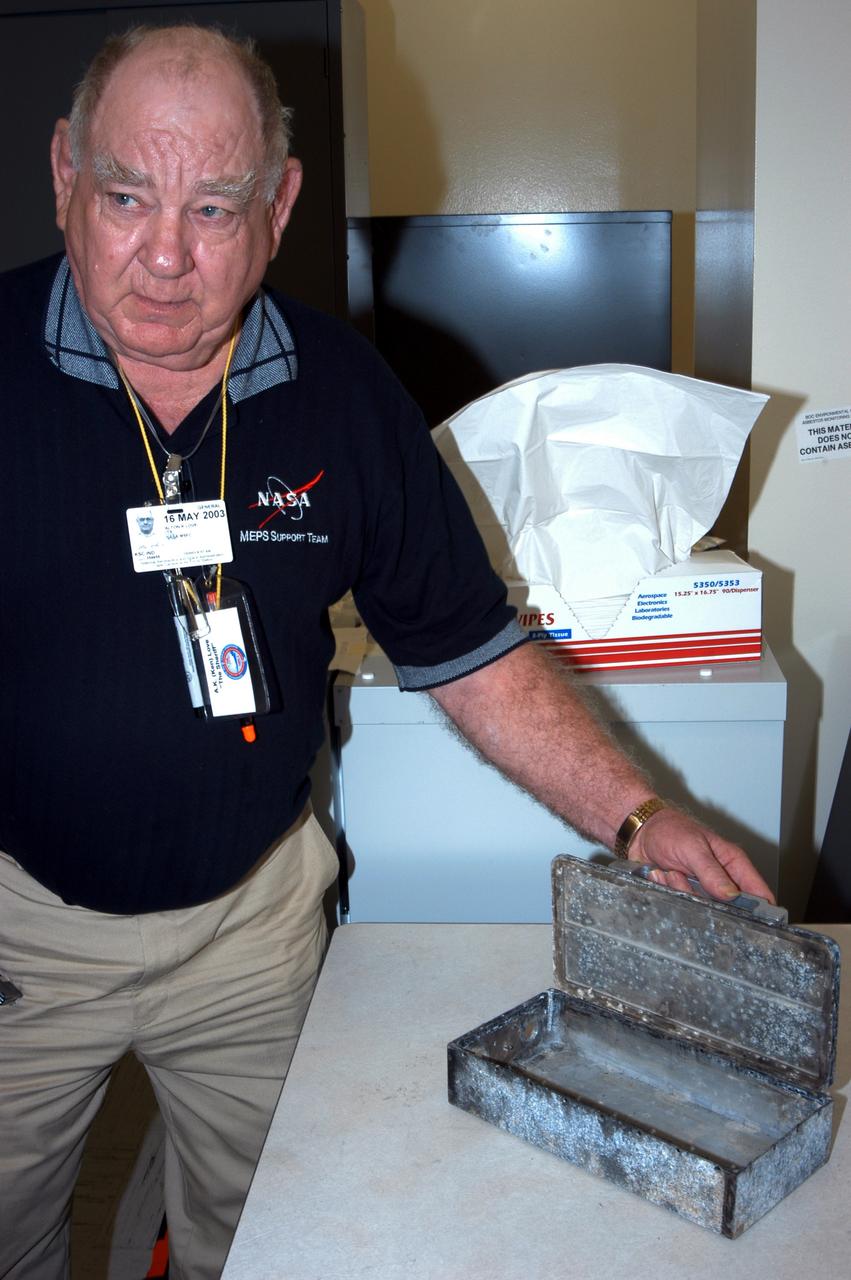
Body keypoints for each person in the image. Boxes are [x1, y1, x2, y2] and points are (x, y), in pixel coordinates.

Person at [0, 23, 774, 1280]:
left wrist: (637, 816)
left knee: (267, 1234)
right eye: (127, 196)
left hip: (251, 931)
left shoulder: (345, 398)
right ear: (63, 176)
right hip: (22, 930)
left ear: (278, 208)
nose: (166, 256)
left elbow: (470, 648)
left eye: (214, 207)